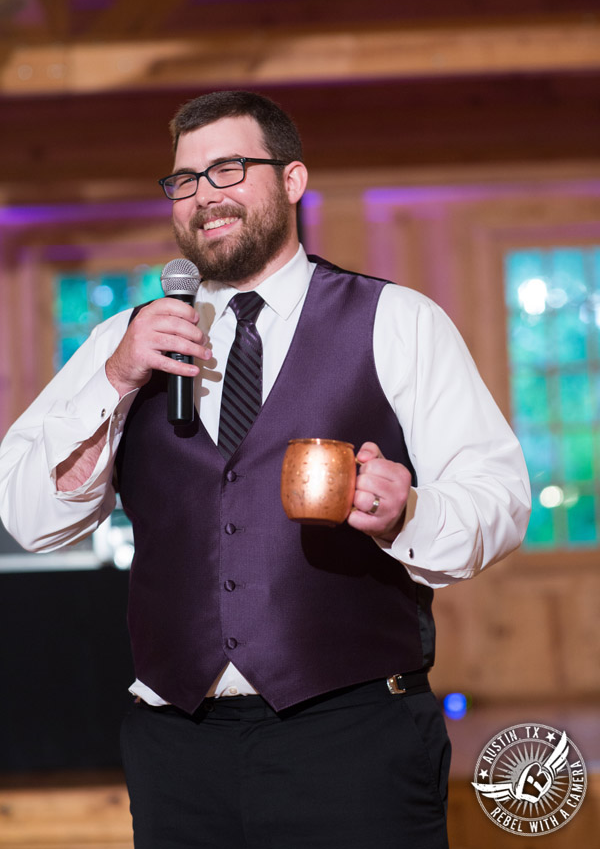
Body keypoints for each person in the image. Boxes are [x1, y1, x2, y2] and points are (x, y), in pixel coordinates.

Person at [0, 90, 530, 849]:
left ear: (291, 180)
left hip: (351, 739)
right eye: (184, 180)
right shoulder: (125, 341)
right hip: (176, 748)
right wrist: (113, 380)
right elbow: (29, 517)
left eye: (228, 169)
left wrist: (407, 514)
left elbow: (501, 501)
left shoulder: (396, 321)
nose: (204, 197)